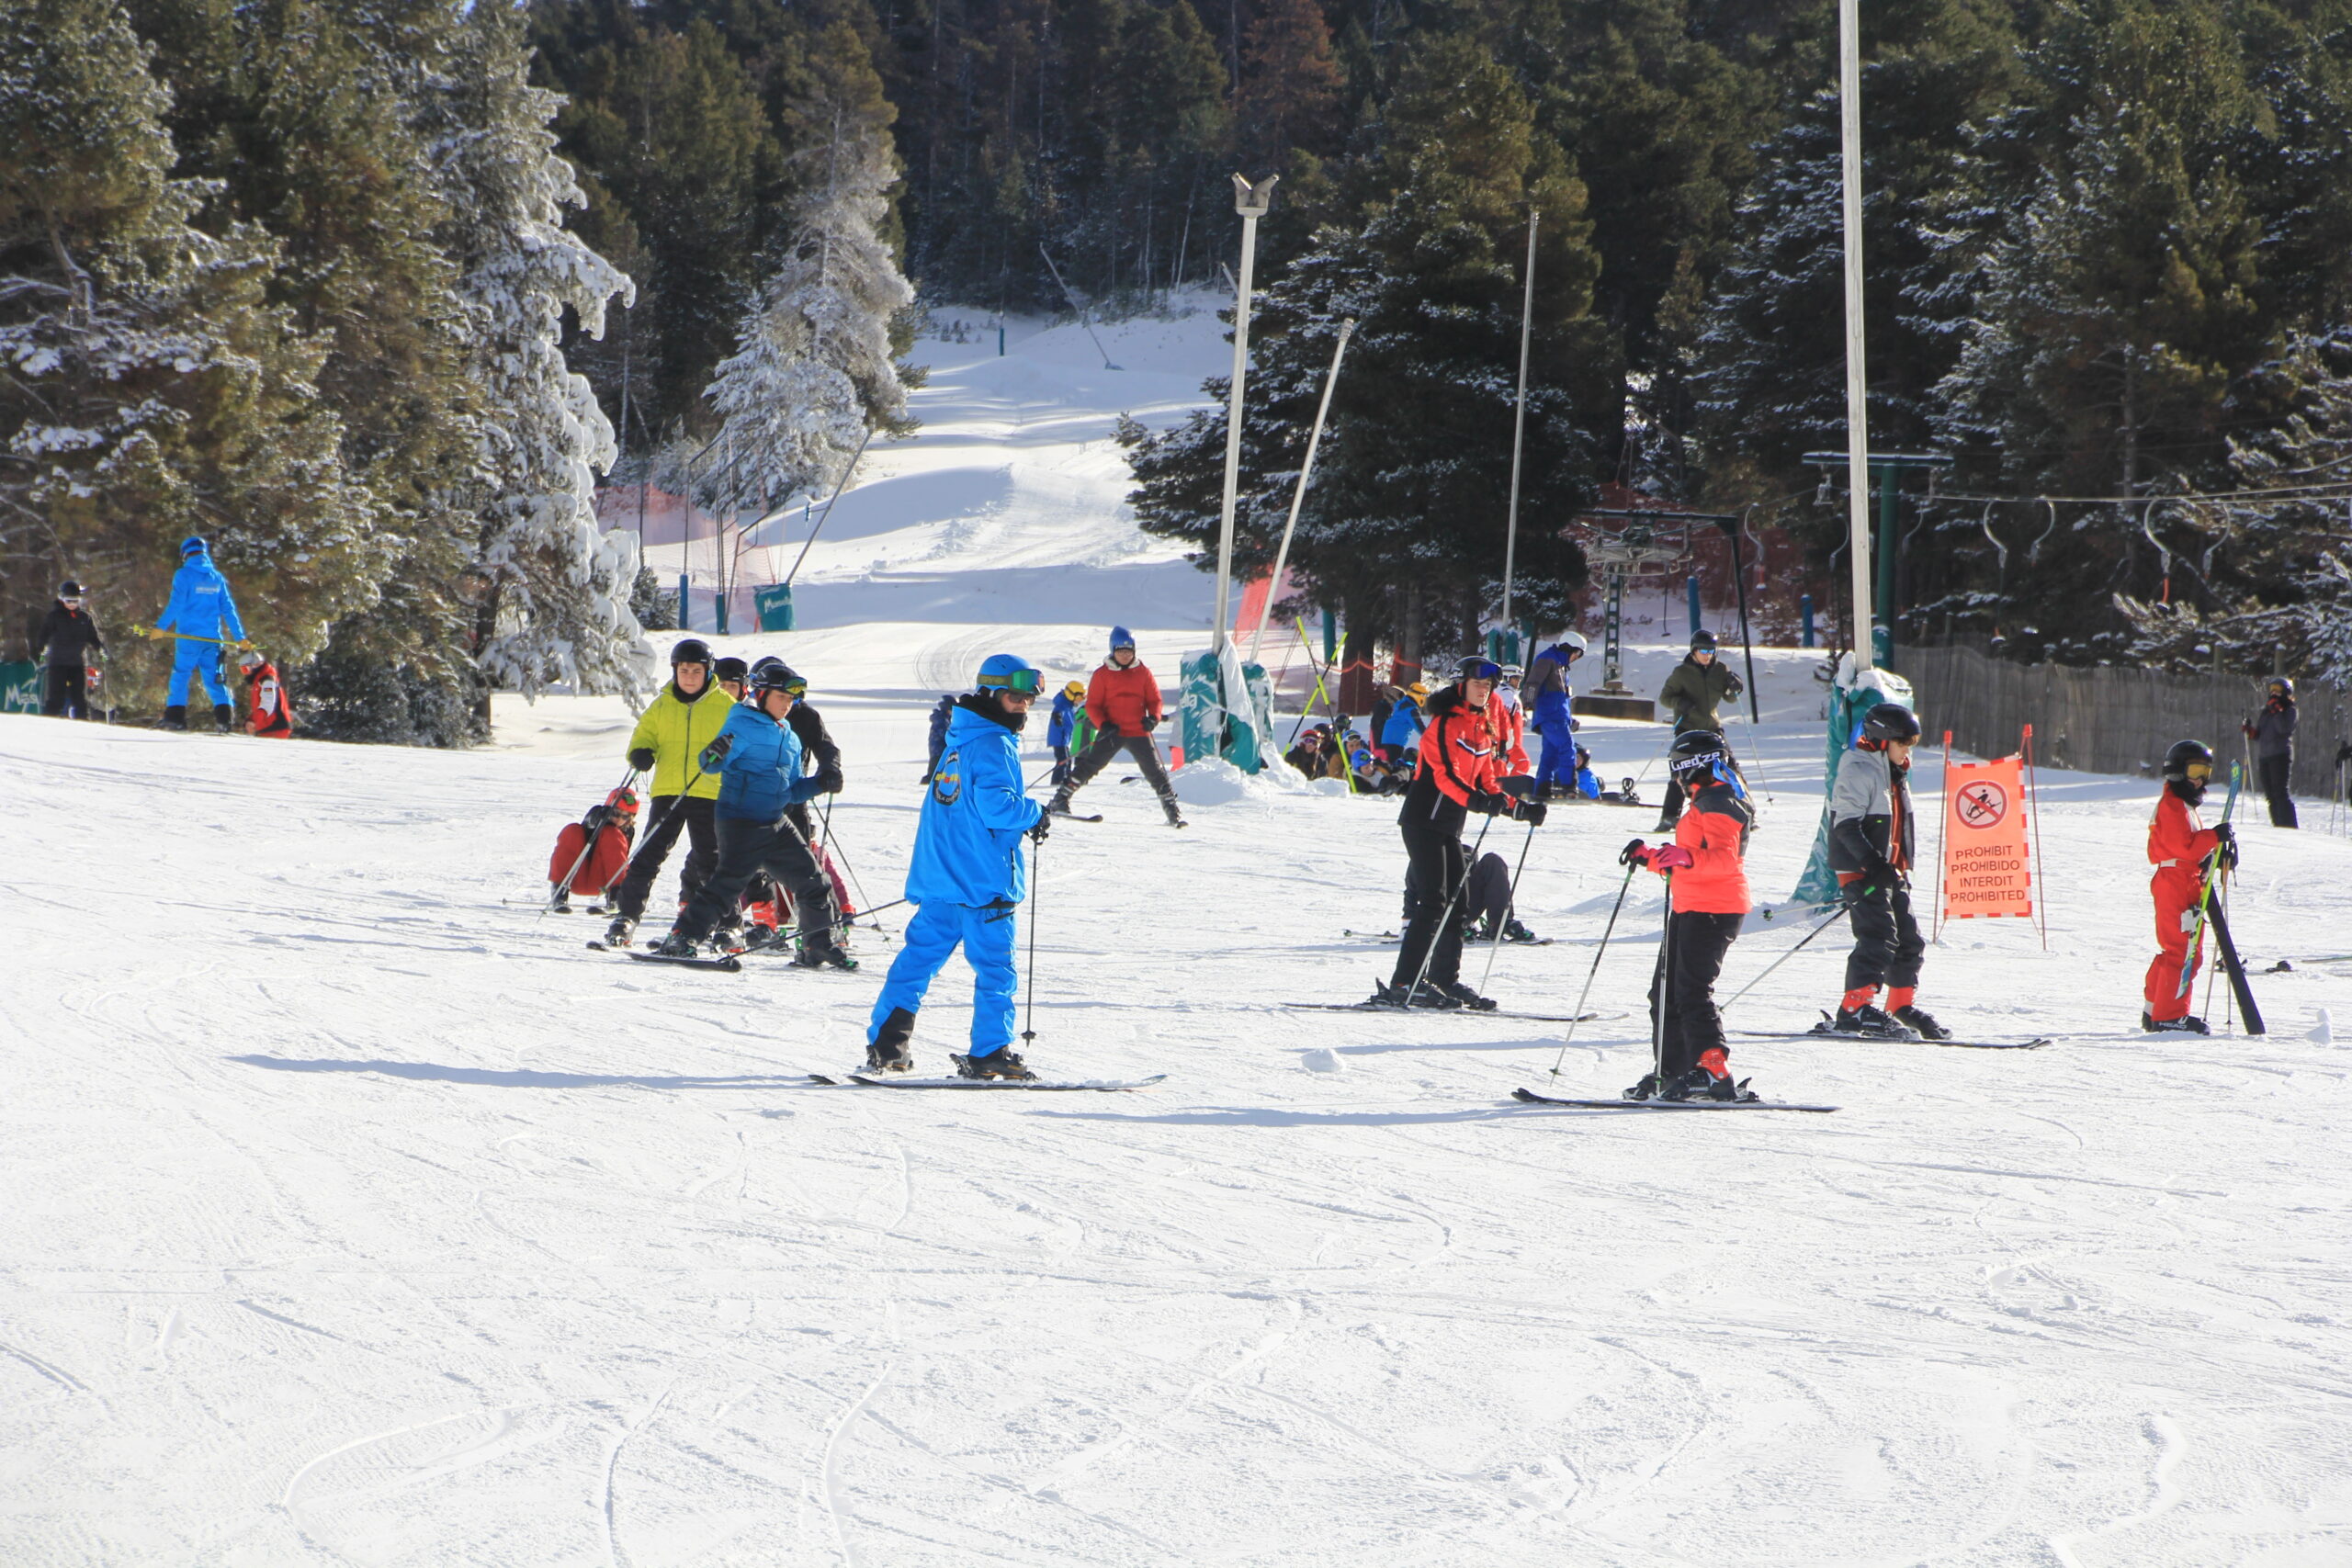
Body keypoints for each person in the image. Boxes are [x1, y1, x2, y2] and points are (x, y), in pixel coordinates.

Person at [866, 654, 1053, 1078]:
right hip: (983, 883)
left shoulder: (959, 739)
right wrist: (1035, 812)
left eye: (1028, 699)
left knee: (917, 961)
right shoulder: (994, 743)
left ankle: (887, 1043)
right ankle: (989, 1052)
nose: (1023, 705)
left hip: (942, 879)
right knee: (994, 969)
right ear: (990, 693)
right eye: (1014, 696)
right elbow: (997, 808)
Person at [1373, 655, 1546, 1010]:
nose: (1485, 691)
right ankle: (1405, 982)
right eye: (1479, 684)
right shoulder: (1444, 724)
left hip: (1449, 824)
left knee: (1459, 901)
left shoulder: (1481, 725)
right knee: (1433, 901)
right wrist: (1479, 803)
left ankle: (1443, 980)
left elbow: (1487, 778)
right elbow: (1444, 777)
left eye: (1490, 686)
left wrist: (1517, 808)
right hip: (1423, 820)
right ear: (1461, 684)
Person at [655, 661, 853, 967]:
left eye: (790, 700)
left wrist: (820, 783)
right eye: (781, 698)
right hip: (740, 821)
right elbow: (709, 764)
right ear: (761, 695)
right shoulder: (742, 723)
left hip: (776, 821)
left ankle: (818, 944)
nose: (787, 705)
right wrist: (714, 752)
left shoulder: (789, 736)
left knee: (814, 880)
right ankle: (681, 938)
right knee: (728, 884)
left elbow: (791, 791)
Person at [1620, 731, 1759, 1100]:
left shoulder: (1721, 801)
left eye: (1677, 770)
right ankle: (1673, 1071)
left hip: (1716, 909)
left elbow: (1724, 860)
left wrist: (1684, 857)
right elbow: (1687, 861)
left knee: (1692, 992)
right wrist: (1651, 856)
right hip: (1691, 907)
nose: (1676, 779)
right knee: (1664, 994)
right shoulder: (1704, 800)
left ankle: (1713, 1070)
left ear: (1692, 767)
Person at [1825, 702, 1946, 1038]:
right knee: (1878, 938)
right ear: (1881, 739)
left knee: (1909, 941)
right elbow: (1846, 826)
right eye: (1903, 742)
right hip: (1862, 870)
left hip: (1891, 871)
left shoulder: (1894, 771)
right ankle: (1854, 1008)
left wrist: (1896, 866)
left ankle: (1899, 1005)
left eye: (1911, 743)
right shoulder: (1858, 770)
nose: (1908, 750)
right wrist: (1875, 864)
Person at [605, 638, 734, 948]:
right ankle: (626, 916)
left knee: (711, 862)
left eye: (697, 670)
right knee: (648, 855)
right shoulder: (662, 705)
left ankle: (728, 924)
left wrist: (728, 749)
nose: (690, 676)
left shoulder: (727, 707)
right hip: (669, 790)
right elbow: (644, 735)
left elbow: (742, 742)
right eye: (684, 670)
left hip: (709, 791)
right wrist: (640, 753)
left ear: (708, 672)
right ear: (675, 670)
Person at [1048, 626, 1184, 827]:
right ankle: (1060, 799)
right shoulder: (1102, 675)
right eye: (1121, 651)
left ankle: (1172, 811)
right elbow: (1093, 705)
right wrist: (1103, 724)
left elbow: (1154, 699)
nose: (1125, 655)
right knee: (1091, 765)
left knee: (1154, 770)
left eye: (1129, 651)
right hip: (1113, 731)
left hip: (1138, 730)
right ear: (1113, 650)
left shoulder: (1143, 673)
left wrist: (1153, 718)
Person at [2143, 739, 2233, 1033]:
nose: (2199, 780)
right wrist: (2213, 837)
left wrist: (2214, 856)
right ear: (2177, 771)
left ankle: (2156, 1008)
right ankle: (2169, 1015)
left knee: (2179, 949)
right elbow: (2183, 847)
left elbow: (2191, 851)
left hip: (2185, 881)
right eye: (2195, 770)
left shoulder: (2183, 806)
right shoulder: (2172, 805)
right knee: (2182, 951)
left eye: (2205, 773)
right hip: (2175, 883)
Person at [152, 536, 245, 732]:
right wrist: (240, 638)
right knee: (215, 679)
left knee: (181, 675)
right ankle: (224, 721)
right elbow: (228, 609)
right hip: (212, 638)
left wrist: (160, 627)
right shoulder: (216, 577)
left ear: (185, 554)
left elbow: (176, 604)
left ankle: (175, 718)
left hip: (188, 638)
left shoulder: (183, 574)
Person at [1655, 630, 1744, 829]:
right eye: (1703, 650)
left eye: (1711, 650)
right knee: (1680, 773)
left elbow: (1730, 698)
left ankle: (1743, 811)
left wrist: (1735, 687)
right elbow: (1664, 698)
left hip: (1711, 728)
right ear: (1693, 651)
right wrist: (1680, 702)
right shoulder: (1681, 673)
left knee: (1730, 768)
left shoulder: (1720, 670)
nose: (1707, 654)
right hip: (1687, 728)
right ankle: (1669, 817)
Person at [30, 580, 103, 719]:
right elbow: (43, 635)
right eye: (68, 601)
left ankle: (82, 725)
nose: (72, 604)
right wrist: (42, 648)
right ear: (62, 599)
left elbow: (93, 637)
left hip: (77, 663)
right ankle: (47, 724)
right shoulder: (55, 616)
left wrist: (100, 648)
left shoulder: (85, 618)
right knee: (56, 699)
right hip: (58, 663)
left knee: (79, 699)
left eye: (75, 601)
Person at [1524, 635, 1585, 800]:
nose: (1576, 658)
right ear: (1568, 648)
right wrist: (1528, 701)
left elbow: (1562, 699)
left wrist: (1569, 720)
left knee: (1550, 757)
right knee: (1567, 748)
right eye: (1577, 653)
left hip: (1557, 716)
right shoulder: (1548, 659)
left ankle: (1542, 789)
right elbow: (1532, 682)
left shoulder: (1561, 666)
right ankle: (1569, 788)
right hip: (1550, 716)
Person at [2244, 677, 2298, 829]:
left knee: (2280, 792)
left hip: (2280, 755)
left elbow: (2284, 729)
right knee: (2270, 795)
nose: (2274, 693)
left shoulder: (2290, 710)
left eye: (2278, 690)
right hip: (2265, 756)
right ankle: (2277, 824)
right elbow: (2260, 734)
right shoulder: (2267, 712)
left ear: (2286, 692)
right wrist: (2250, 732)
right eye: (2272, 689)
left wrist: (2277, 712)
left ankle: (2288, 826)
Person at [238, 649, 293, 737]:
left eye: (245, 669)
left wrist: (255, 721)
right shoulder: (259, 680)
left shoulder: (267, 680)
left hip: (275, 727)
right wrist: (251, 720)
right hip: (267, 727)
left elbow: (268, 704)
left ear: (254, 665)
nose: (246, 674)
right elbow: (260, 707)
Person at [1047, 679, 1085, 786]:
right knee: (1063, 761)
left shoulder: (1068, 705)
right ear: (1071, 695)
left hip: (1064, 739)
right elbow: (1058, 712)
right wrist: (1058, 717)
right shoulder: (1062, 705)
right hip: (1059, 739)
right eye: (1079, 698)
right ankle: (1056, 782)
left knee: (1067, 761)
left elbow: (1070, 720)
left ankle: (1067, 781)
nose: (1080, 701)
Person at [1381, 682, 1428, 759]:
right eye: (1424, 695)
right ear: (1418, 695)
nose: (1425, 698)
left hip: (1387, 741)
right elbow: (1421, 729)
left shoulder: (1402, 703)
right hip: (1395, 744)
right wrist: (1434, 738)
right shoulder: (1411, 709)